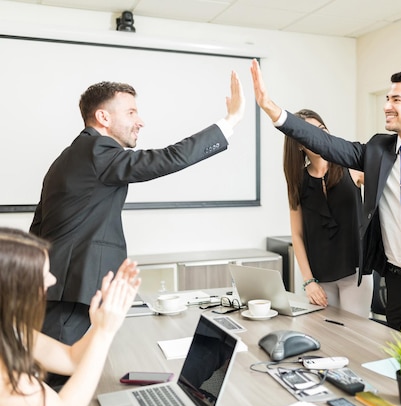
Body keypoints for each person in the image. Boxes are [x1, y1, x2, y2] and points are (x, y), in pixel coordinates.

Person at [251, 60, 401, 354]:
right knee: (398, 373)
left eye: (396, 99)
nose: (387, 105)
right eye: (387, 98)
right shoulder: (377, 151)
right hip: (397, 287)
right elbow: (327, 143)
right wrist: (274, 111)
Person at [30, 72, 245, 349]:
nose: (140, 121)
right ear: (103, 118)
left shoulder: (68, 157)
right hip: (73, 288)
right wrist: (230, 122)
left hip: (59, 287)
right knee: (61, 374)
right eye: (131, 112)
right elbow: (167, 158)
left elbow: (39, 227)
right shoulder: (98, 149)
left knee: (64, 365)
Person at [0, 227, 140, 406]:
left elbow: (72, 359)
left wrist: (101, 323)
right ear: (12, 291)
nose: (52, 280)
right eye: (43, 276)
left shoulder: (12, 330)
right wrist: (104, 333)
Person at [284, 109, 372, 318]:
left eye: (322, 129)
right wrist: (308, 281)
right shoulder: (298, 182)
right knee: (326, 338)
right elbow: (296, 235)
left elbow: (392, 184)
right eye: (310, 132)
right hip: (319, 275)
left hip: (355, 271)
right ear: (299, 144)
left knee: (355, 337)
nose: (319, 136)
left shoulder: (351, 167)